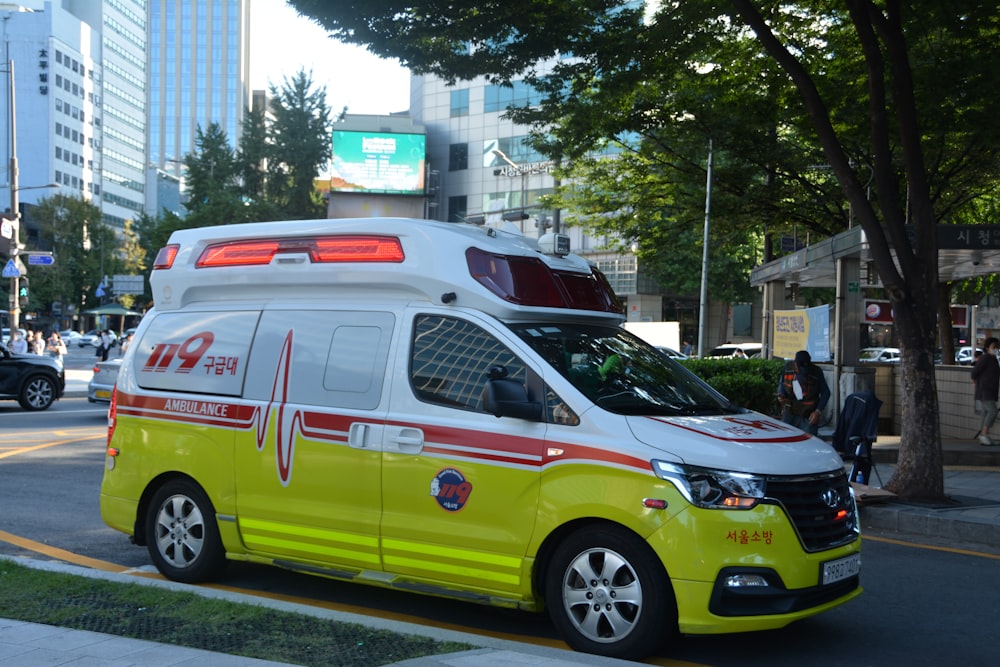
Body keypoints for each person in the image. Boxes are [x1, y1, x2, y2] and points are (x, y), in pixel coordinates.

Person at [777, 350, 831, 435]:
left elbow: (826, 393)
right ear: (795, 364)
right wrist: (781, 394)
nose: (804, 371)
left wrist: (818, 411)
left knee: (809, 441)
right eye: (801, 368)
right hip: (790, 413)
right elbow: (781, 384)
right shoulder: (788, 368)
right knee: (787, 438)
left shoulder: (816, 371)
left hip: (808, 415)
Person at [970, 337, 1000, 446]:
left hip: (989, 390)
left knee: (985, 412)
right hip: (985, 390)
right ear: (987, 347)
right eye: (994, 347)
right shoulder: (986, 358)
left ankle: (984, 435)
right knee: (992, 411)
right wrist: (976, 382)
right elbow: (975, 372)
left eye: (997, 347)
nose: (996, 349)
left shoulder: (993, 359)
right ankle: (984, 434)